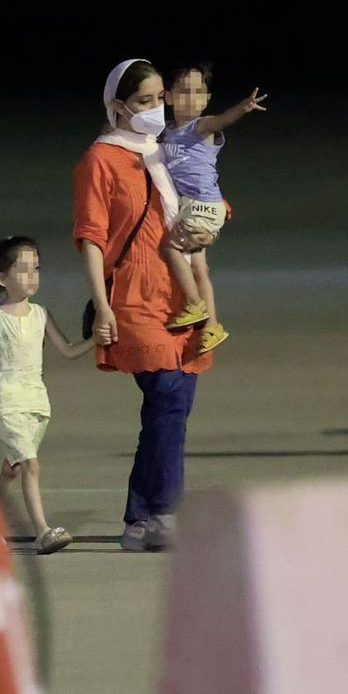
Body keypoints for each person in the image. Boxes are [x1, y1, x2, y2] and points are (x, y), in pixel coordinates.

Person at [74, 59, 214, 552]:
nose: (157, 109)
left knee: (170, 405)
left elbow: (206, 197)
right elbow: (91, 238)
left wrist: (209, 224)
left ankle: (140, 519)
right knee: (168, 393)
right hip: (131, 295)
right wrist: (102, 306)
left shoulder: (168, 150)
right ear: (117, 107)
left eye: (160, 99)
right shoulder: (101, 160)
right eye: (143, 102)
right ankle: (164, 511)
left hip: (182, 292)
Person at [0, 236, 95, 554]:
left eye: (37, 269)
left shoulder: (40, 314)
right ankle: (42, 531)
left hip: (36, 404)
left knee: (12, 468)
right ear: (1, 278)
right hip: (6, 403)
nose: (33, 276)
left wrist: (98, 340)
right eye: (24, 270)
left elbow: (69, 351)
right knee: (30, 464)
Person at [158, 63, 267, 352]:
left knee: (169, 248)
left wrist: (242, 108)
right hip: (193, 206)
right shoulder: (168, 131)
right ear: (167, 97)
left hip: (204, 205)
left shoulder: (200, 126)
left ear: (206, 99)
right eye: (183, 92)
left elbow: (220, 121)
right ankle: (212, 327)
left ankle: (195, 304)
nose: (191, 98)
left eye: (198, 92)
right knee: (201, 270)